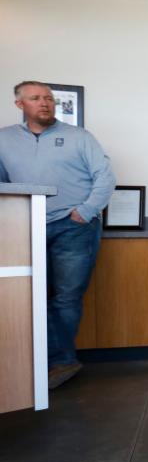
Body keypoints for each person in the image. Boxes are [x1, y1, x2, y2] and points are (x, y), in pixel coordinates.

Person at [0, 81, 116, 389]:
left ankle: (61, 361)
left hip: (73, 226)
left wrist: (85, 212)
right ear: (20, 105)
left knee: (65, 297)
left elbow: (105, 176)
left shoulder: (79, 137)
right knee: (30, 295)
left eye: (49, 98)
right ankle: (34, 363)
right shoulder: (4, 139)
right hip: (25, 227)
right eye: (35, 98)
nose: (44, 103)